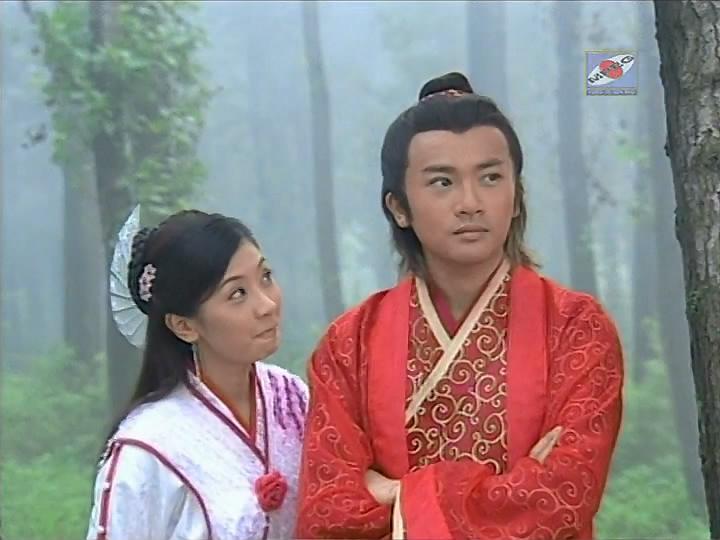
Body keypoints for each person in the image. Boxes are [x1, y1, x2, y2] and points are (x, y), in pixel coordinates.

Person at [295, 72, 624, 540]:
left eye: (490, 178)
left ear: (515, 197)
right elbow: (329, 512)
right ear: (399, 207)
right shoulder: (350, 343)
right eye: (442, 182)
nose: (470, 203)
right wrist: (511, 486)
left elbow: (560, 501)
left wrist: (395, 493)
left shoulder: (576, 327)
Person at [86, 210, 308, 540]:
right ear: (184, 325)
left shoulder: (292, 397)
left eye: (265, 277)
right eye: (237, 294)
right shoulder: (147, 447)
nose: (267, 305)